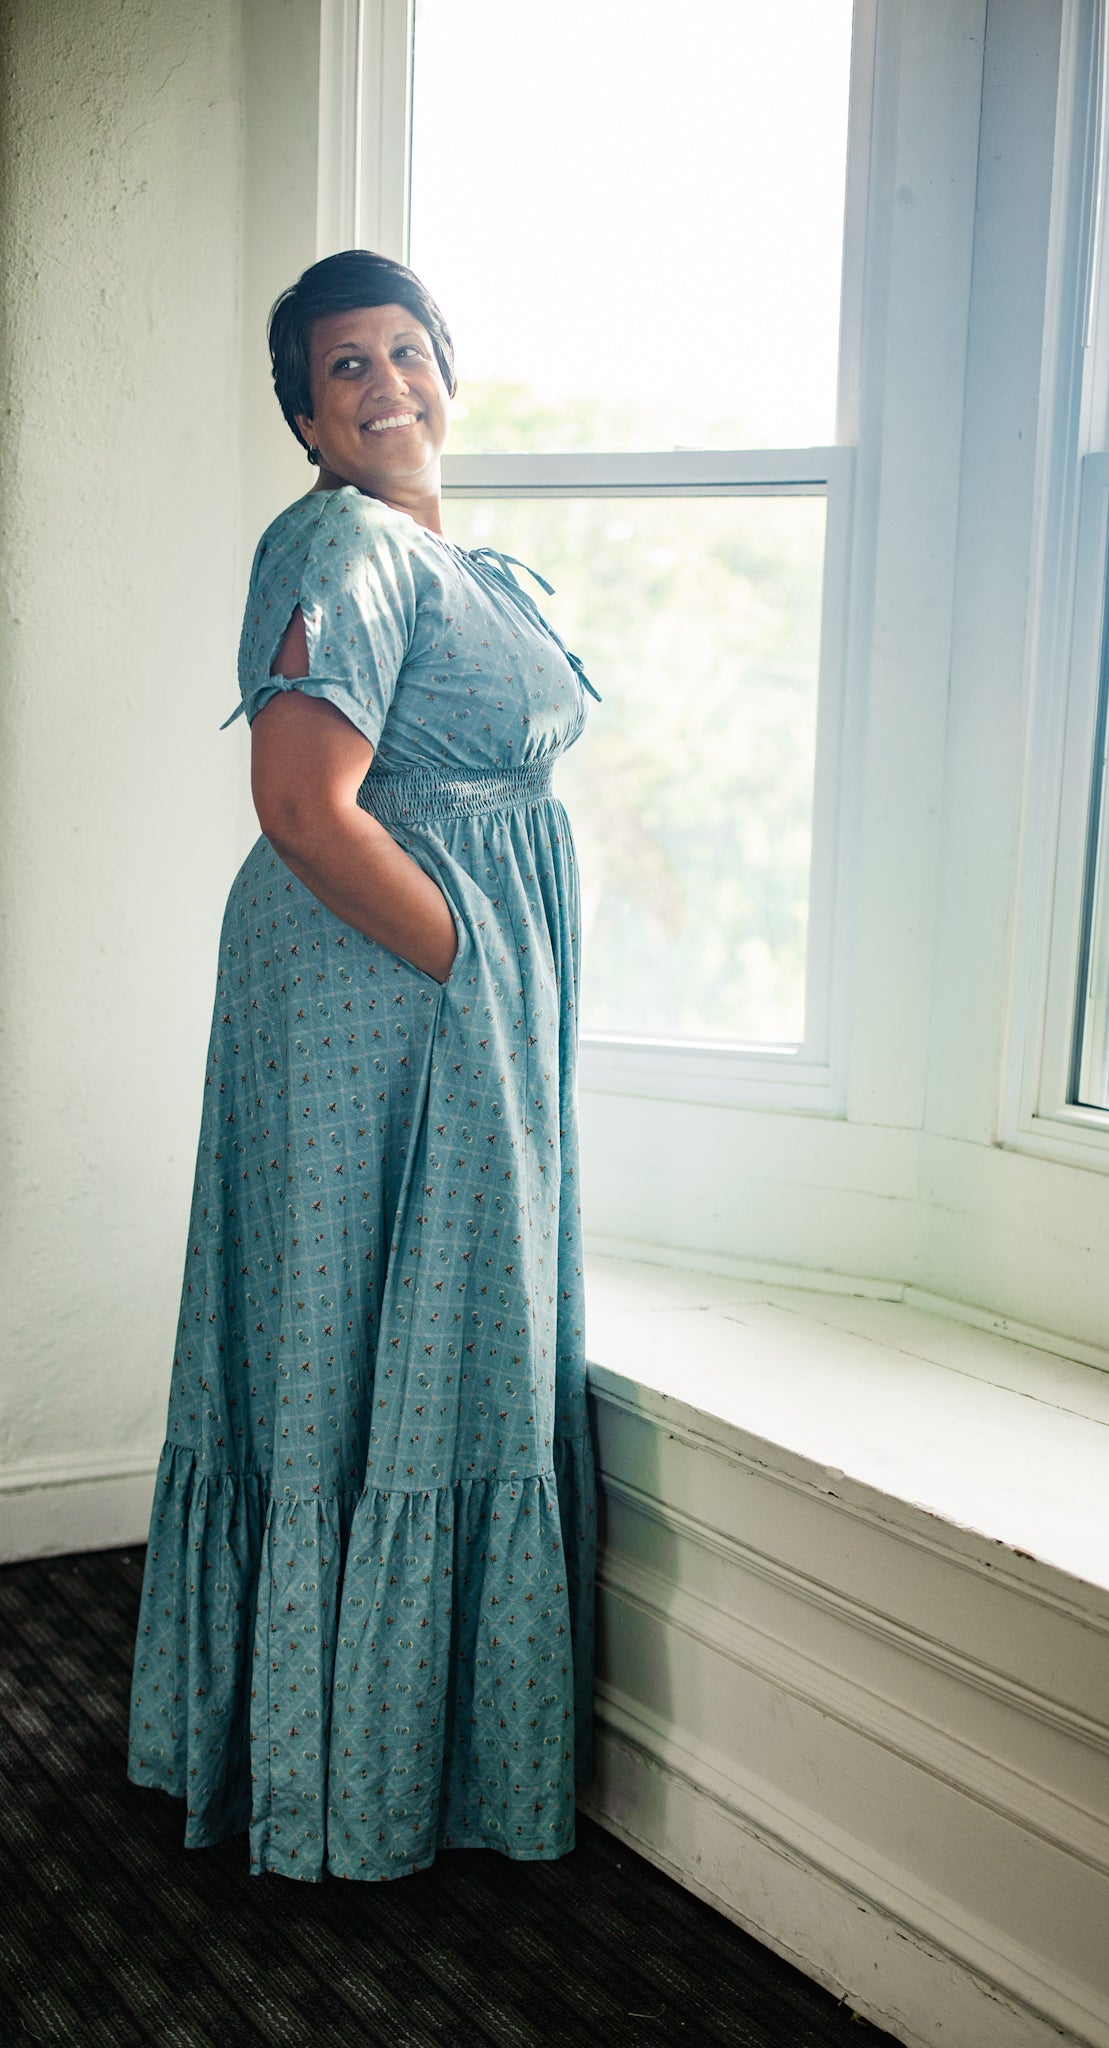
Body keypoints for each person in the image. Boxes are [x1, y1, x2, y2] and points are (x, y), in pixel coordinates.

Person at [127, 249, 598, 1882]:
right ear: (306, 419)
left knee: (386, 1332)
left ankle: (334, 1736)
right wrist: (473, 964)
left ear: (449, 369)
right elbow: (302, 808)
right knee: (355, 1334)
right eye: (346, 368)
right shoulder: (337, 541)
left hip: (415, 985)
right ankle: (342, 1771)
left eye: (409, 350)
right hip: (378, 992)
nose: (387, 383)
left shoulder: (446, 557)